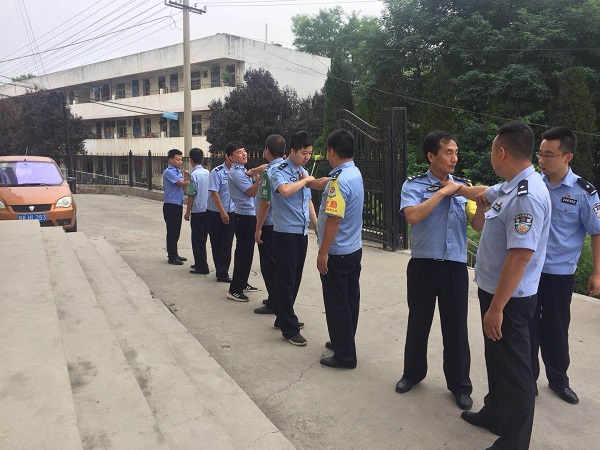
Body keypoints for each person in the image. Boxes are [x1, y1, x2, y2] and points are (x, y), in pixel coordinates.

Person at [462, 121, 551, 450]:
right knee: (497, 360)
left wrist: (497, 308)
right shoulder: (511, 187)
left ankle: (514, 441)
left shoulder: (527, 196)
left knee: (516, 372)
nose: (490, 156)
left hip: (510, 300)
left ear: (501, 152)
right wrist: (452, 188)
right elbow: (484, 193)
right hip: (495, 292)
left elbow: (520, 257)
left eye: (491, 151)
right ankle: (495, 414)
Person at [395, 131, 475, 411]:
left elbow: (477, 224)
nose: (454, 158)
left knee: (456, 328)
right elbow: (413, 216)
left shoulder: (464, 186)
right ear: (431, 156)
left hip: (454, 266)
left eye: (456, 152)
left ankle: (460, 385)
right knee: (419, 322)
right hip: (424, 264)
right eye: (448, 152)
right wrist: (442, 192)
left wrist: (481, 207)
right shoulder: (414, 185)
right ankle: (412, 373)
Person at [530, 127, 600, 404]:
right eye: (540, 153)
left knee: (556, 328)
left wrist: (597, 272)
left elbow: (597, 232)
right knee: (527, 326)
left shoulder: (583, 192)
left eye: (549, 155)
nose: (542, 160)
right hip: (529, 270)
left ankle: (558, 380)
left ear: (567, 157)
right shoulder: (533, 183)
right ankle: (528, 380)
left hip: (559, 273)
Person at [316, 129, 364, 369]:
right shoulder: (354, 173)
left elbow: (334, 220)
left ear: (332, 151)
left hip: (338, 251)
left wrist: (323, 252)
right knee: (350, 298)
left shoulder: (339, 181)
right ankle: (343, 340)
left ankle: (344, 355)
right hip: (353, 248)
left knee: (337, 303)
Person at [269, 131, 318, 346]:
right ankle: (289, 328)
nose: (307, 157)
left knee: (295, 278)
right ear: (292, 151)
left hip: (301, 233)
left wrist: (317, 227)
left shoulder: (303, 172)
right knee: (286, 279)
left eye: (309, 153)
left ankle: (283, 315)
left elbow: (308, 202)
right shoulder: (277, 170)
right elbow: (285, 191)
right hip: (285, 233)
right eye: (303, 153)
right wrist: (306, 181)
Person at [253, 134, 286, 315]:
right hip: (282, 224)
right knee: (279, 264)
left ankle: (275, 302)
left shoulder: (269, 173)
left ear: (266, 150)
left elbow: (265, 203)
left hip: (268, 224)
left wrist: (258, 228)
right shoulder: (288, 168)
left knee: (269, 266)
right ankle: (276, 298)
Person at [226, 141, 260, 302]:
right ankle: (235, 289)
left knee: (247, 252)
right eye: (239, 152)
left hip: (249, 215)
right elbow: (252, 192)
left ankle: (242, 282)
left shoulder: (243, 171)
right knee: (243, 253)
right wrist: (260, 179)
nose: (244, 154)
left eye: (244, 150)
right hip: (244, 216)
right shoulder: (236, 173)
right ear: (230, 157)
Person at [207, 151, 236, 282]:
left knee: (227, 243)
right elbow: (214, 193)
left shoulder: (239, 172)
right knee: (216, 242)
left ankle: (223, 273)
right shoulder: (217, 172)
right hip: (215, 212)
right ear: (228, 156)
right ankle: (220, 270)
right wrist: (222, 212)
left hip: (232, 212)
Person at [184, 148, 210, 275]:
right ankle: (199, 262)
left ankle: (201, 266)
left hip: (198, 210)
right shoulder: (207, 173)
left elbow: (191, 194)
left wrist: (187, 211)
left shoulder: (194, 175)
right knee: (203, 238)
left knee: (197, 239)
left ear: (191, 160)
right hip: (207, 209)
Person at [162, 148, 189, 265]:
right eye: (177, 160)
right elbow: (181, 183)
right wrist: (191, 179)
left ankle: (175, 253)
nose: (180, 162)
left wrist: (186, 177)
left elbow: (184, 187)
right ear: (170, 160)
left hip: (178, 204)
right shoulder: (169, 172)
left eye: (181, 159)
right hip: (171, 205)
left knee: (176, 231)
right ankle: (171, 256)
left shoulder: (178, 171)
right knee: (172, 231)